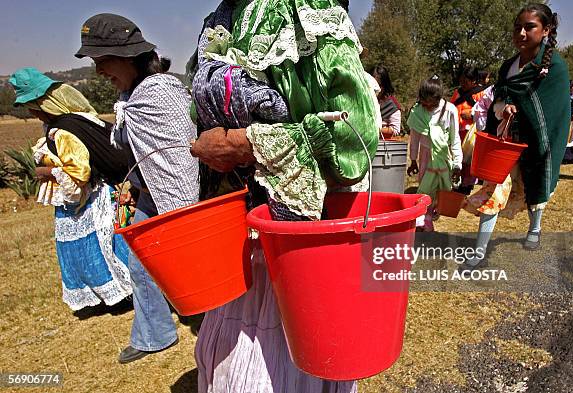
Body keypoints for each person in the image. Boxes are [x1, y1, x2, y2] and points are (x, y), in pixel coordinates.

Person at [188, 0, 377, 391]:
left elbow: (353, 138)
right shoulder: (221, 18)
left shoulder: (302, 10)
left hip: (298, 249)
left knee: (279, 371)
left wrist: (242, 145)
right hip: (240, 246)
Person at [75, 13, 200, 363]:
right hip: (148, 191)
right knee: (140, 261)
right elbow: (143, 149)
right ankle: (155, 333)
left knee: (179, 263)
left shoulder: (158, 92)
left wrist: (183, 207)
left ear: (128, 55)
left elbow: (179, 155)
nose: (98, 71)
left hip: (173, 194)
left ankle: (194, 316)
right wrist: (132, 181)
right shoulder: (133, 95)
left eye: (103, 61)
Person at [9, 67, 132, 311]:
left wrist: (46, 172)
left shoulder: (63, 131)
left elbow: (79, 172)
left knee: (94, 248)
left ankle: (117, 294)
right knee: (85, 250)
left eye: (33, 107)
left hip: (89, 200)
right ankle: (108, 294)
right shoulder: (80, 119)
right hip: (85, 198)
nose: (33, 113)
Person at [462, 3, 571, 270]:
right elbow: (499, 96)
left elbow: (551, 109)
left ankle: (535, 227)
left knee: (535, 183)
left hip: (539, 140)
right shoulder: (508, 65)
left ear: (545, 30)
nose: (521, 32)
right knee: (493, 187)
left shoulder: (555, 66)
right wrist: (501, 107)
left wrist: (520, 109)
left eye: (529, 26)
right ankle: (479, 252)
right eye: (517, 27)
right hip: (506, 139)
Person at [406, 76, 462, 232]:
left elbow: (454, 137)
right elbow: (415, 138)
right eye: (425, 103)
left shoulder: (449, 110)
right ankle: (424, 220)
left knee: (440, 191)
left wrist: (457, 163)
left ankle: (429, 216)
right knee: (424, 190)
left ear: (439, 98)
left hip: (443, 157)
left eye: (432, 103)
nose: (428, 106)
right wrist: (413, 160)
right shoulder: (417, 111)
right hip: (425, 157)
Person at [451, 67, 487, 194]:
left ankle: (467, 186)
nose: (463, 84)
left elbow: (485, 112)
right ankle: (456, 181)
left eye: (466, 81)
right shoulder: (458, 92)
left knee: (469, 160)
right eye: (461, 81)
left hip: (471, 133)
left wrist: (472, 116)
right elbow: (451, 106)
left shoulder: (481, 93)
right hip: (457, 130)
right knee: (457, 157)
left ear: (474, 81)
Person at [371, 65, 402, 138]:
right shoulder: (362, 100)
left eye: (378, 85)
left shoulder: (392, 105)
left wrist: (375, 130)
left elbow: (395, 130)